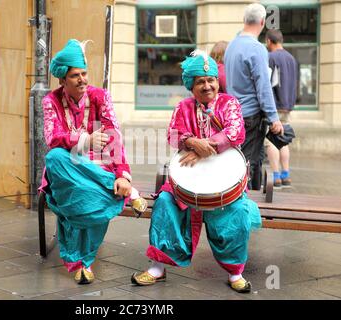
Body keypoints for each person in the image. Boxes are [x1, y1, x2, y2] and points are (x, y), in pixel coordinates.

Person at [131, 51, 262, 293]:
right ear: (191, 85)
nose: (207, 85)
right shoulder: (183, 107)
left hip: (225, 181)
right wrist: (192, 143)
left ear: (217, 81)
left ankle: (235, 272)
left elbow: (236, 131)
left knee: (239, 212)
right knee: (164, 203)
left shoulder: (229, 103)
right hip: (185, 182)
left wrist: (206, 147)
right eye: (200, 81)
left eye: (211, 79)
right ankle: (157, 267)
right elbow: (172, 135)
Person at [38, 39, 147, 284]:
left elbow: (114, 137)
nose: (82, 79)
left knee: (87, 194)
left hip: (97, 171)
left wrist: (122, 175)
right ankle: (123, 192)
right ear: (62, 81)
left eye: (84, 73)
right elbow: (52, 138)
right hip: (66, 170)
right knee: (54, 157)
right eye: (75, 75)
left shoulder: (100, 96)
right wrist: (85, 140)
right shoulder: (51, 102)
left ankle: (82, 262)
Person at [224, 3, 283, 190]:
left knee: (235, 162)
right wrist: (274, 117)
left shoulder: (231, 45)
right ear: (263, 22)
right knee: (249, 165)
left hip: (233, 114)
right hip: (251, 116)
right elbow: (263, 88)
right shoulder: (257, 48)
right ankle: (245, 210)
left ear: (244, 20)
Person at [265, 29, 298, 187]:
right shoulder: (291, 58)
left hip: (274, 106)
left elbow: (267, 83)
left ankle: (276, 176)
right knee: (283, 141)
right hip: (287, 106)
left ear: (269, 41)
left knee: (271, 140)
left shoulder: (270, 57)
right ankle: (286, 174)